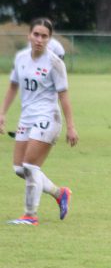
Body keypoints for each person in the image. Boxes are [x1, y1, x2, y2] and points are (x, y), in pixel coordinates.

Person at [0, 18, 78, 226]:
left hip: (48, 117)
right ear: (29, 35)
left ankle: (30, 215)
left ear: (49, 39)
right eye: (36, 34)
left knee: (30, 165)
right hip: (27, 117)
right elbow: (13, 86)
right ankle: (59, 193)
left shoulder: (55, 63)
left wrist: (70, 126)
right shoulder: (21, 59)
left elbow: (64, 96)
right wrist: (2, 113)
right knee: (19, 169)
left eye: (44, 36)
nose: (39, 39)